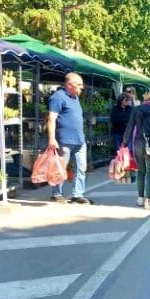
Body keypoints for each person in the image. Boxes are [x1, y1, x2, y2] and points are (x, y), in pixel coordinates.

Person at [48, 72, 91, 204]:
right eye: (79, 85)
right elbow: (51, 118)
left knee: (81, 168)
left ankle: (77, 194)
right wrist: (52, 138)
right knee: (61, 168)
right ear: (69, 84)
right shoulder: (58, 97)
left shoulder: (75, 98)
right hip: (64, 139)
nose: (81, 88)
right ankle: (57, 193)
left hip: (79, 140)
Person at [123, 91, 150, 210]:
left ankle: (140, 198)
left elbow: (130, 126)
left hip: (138, 143)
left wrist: (124, 143)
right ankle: (148, 201)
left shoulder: (136, 110)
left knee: (141, 172)